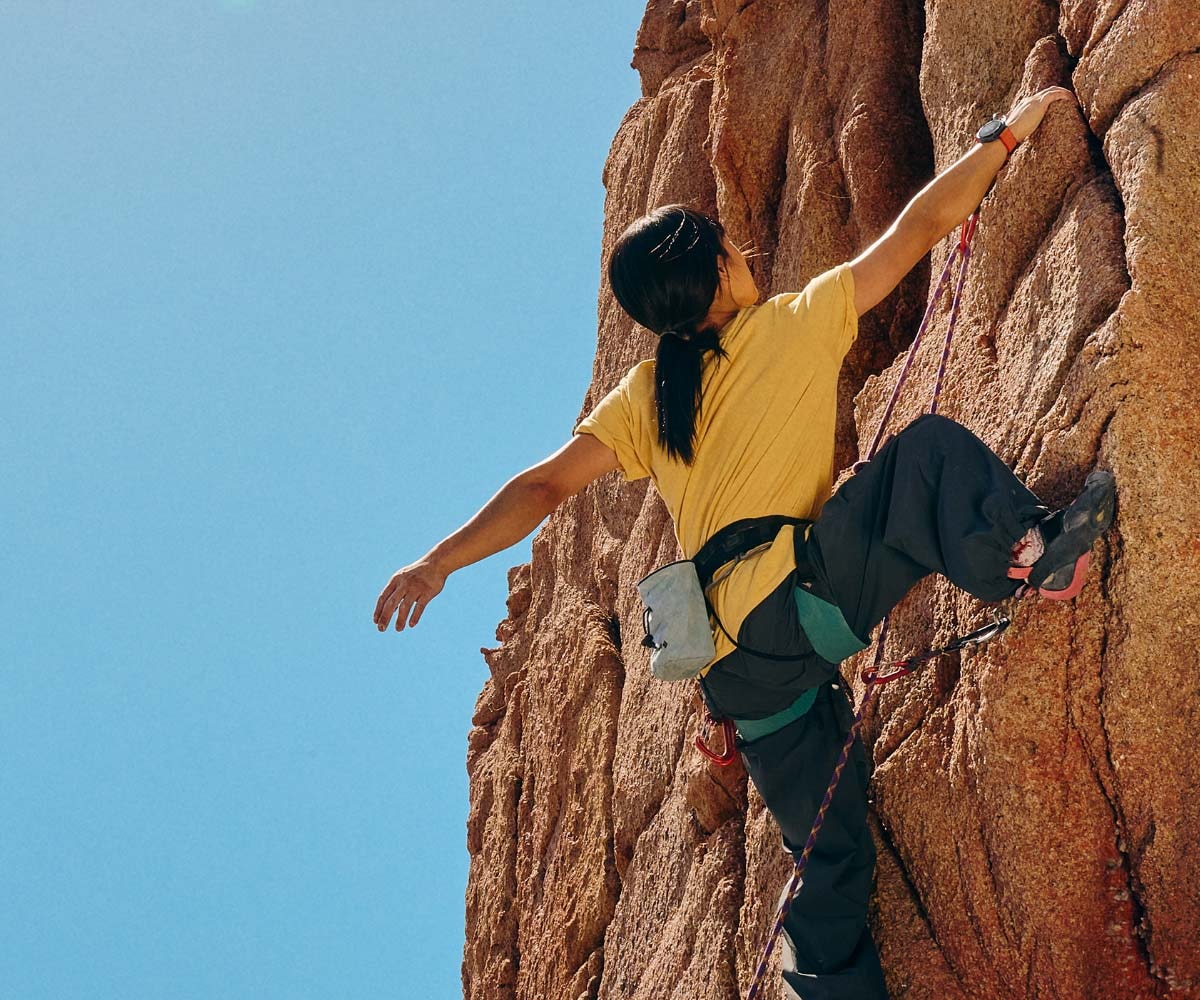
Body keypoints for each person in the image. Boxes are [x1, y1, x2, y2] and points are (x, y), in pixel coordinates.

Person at [372, 84, 1117, 999]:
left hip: (741, 683)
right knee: (925, 456)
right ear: (720, 271)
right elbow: (919, 228)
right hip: (791, 614)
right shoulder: (791, 323)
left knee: (831, 854)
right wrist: (1004, 137)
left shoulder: (650, 395)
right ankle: (1032, 556)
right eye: (729, 245)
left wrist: (436, 562)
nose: (743, 249)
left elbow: (539, 487)